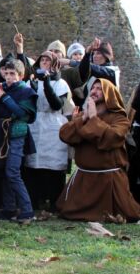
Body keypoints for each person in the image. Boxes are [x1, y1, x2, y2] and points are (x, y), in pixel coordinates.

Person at [56, 79, 140, 221]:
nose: (94, 91)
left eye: (99, 89)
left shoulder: (120, 119)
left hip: (108, 180)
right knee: (70, 213)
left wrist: (94, 118)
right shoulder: (85, 116)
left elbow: (111, 138)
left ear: (109, 94)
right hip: (84, 178)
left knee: (126, 215)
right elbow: (65, 135)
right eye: (93, 88)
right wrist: (83, 118)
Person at [0, 59, 37, 222]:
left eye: (12, 74)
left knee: (12, 172)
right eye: (6, 73)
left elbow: (22, 114)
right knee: (2, 171)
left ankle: (27, 210)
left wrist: (4, 97)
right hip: (1, 135)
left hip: (17, 134)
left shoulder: (26, 91)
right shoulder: (2, 89)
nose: (8, 77)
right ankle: (9, 208)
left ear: (21, 76)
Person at [22, 51, 70, 211]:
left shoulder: (61, 83)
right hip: (35, 123)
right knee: (33, 163)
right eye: (42, 59)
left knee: (53, 163)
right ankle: (35, 200)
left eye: (48, 60)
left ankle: (54, 201)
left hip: (53, 124)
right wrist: (33, 90)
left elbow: (57, 105)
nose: (44, 62)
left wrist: (48, 83)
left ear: (54, 64)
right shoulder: (32, 82)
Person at [77, 38, 119, 107]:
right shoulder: (94, 72)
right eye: (93, 53)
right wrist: (88, 53)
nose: (95, 56)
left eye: (98, 53)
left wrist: (71, 62)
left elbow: (93, 68)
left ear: (106, 56)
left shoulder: (112, 71)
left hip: (103, 113)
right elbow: (84, 69)